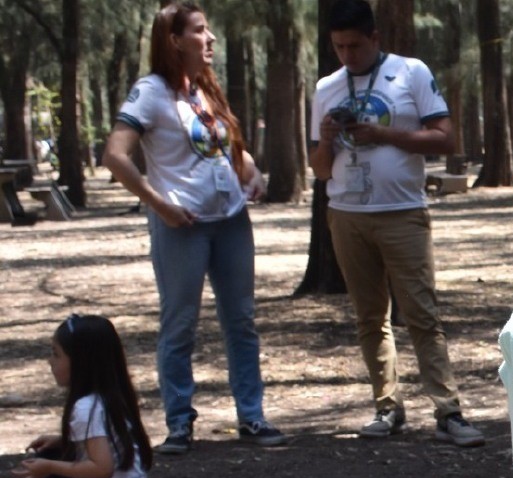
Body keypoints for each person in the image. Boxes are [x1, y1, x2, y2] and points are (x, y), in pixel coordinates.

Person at [102, 2, 284, 454]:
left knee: (241, 321)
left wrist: (252, 173)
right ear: (174, 40)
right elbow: (115, 156)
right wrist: (160, 206)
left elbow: (227, 148)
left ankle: (252, 417)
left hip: (231, 223)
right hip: (182, 226)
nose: (211, 40)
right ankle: (179, 423)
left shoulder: (204, 90)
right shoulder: (150, 93)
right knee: (180, 324)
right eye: (201, 31)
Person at [309, 0, 484, 448]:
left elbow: (445, 138)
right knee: (370, 318)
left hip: (403, 212)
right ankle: (386, 407)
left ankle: (448, 411)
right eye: (338, 47)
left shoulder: (411, 72)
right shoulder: (327, 87)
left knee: (422, 314)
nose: (347, 55)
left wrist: (384, 134)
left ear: (375, 39)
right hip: (347, 215)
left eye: (354, 46)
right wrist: (328, 140)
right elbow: (320, 169)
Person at [7, 315, 152, 478]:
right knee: (52, 450)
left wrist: (49, 467)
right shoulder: (112, 394)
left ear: (81, 362)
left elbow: (102, 468)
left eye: (56, 354)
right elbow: (107, 441)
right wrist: (61, 443)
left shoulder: (86, 408)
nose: (49, 361)